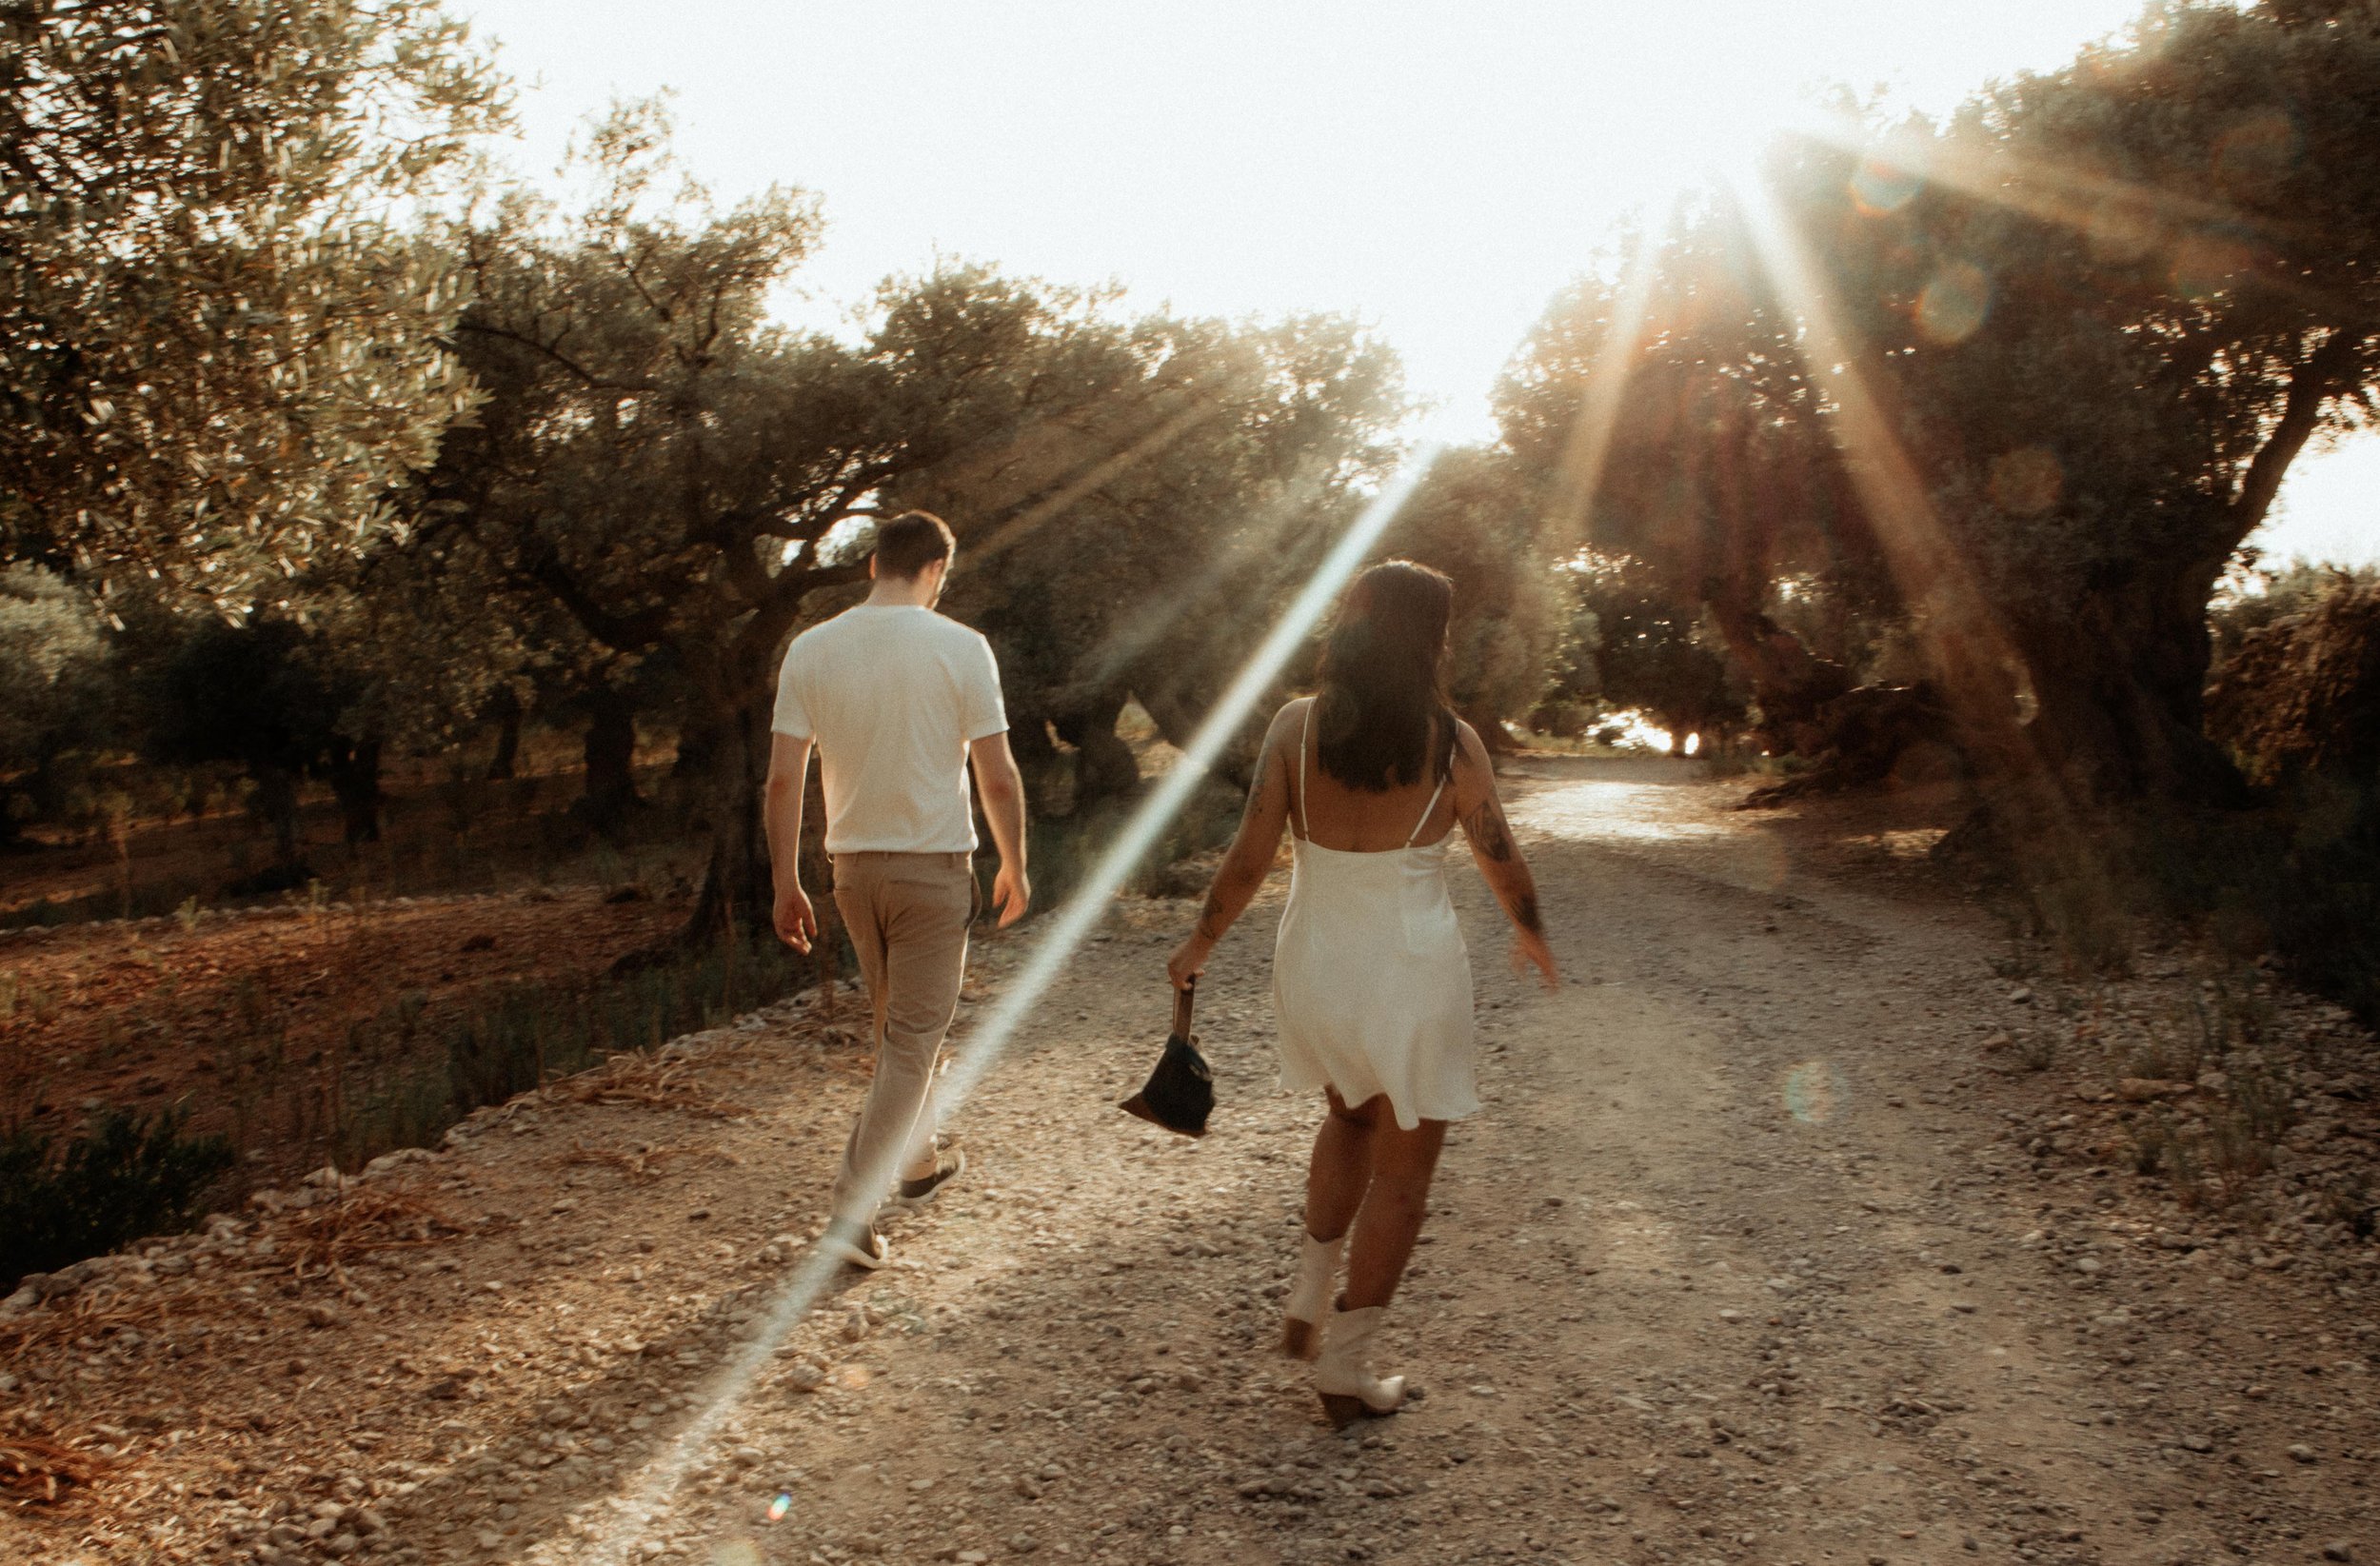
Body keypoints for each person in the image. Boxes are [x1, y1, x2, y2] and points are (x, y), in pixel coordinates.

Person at [1168, 560, 1557, 1428]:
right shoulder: (1450, 742)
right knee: (1405, 1174)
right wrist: (1533, 933)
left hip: (1315, 964)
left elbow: (1248, 854)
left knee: (1346, 1116)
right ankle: (1345, 1370)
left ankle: (1310, 1292)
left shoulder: (1295, 728)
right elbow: (1500, 854)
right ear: (1433, 639)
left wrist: (1200, 941)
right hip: (1411, 971)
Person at [764, 510, 1031, 1270]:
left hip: (852, 874)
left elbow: (785, 777)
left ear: (873, 563)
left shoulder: (811, 649)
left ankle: (915, 1160)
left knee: (900, 1034)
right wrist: (1015, 861)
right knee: (913, 1040)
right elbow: (998, 773)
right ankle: (851, 1212)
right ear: (936, 571)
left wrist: (786, 881)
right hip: (932, 871)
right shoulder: (961, 647)